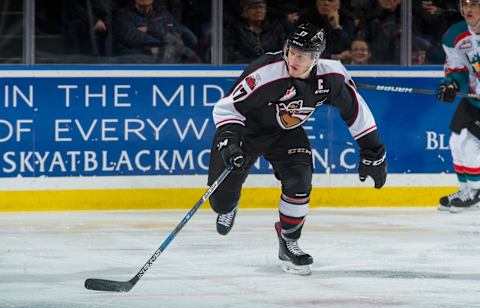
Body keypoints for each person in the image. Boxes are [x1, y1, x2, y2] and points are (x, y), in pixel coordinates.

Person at [207, 23, 387, 275]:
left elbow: (355, 110)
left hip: (286, 132)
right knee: (221, 201)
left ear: (316, 58)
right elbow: (227, 108)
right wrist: (230, 142)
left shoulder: (331, 76)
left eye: (302, 55)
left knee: (300, 179)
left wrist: (373, 151)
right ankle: (228, 206)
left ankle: (289, 240)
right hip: (246, 131)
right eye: (291, 51)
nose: (294, 58)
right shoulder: (267, 73)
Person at [436, 0, 480, 213]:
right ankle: (465, 190)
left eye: (475, 4)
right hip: (474, 99)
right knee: (456, 141)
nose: (468, 9)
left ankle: (476, 191)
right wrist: (451, 83)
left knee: (470, 143)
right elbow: (458, 70)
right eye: (465, 4)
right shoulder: (454, 36)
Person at [114, 0, 200, 63]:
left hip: (168, 56)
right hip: (139, 59)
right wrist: (165, 37)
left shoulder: (163, 14)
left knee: (189, 55)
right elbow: (131, 38)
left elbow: (192, 38)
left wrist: (149, 29)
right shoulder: (124, 15)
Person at [223, 0, 289, 64]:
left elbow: (284, 50)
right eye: (254, 8)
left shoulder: (276, 28)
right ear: (244, 12)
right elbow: (229, 53)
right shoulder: (235, 29)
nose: (259, 11)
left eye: (262, 7)